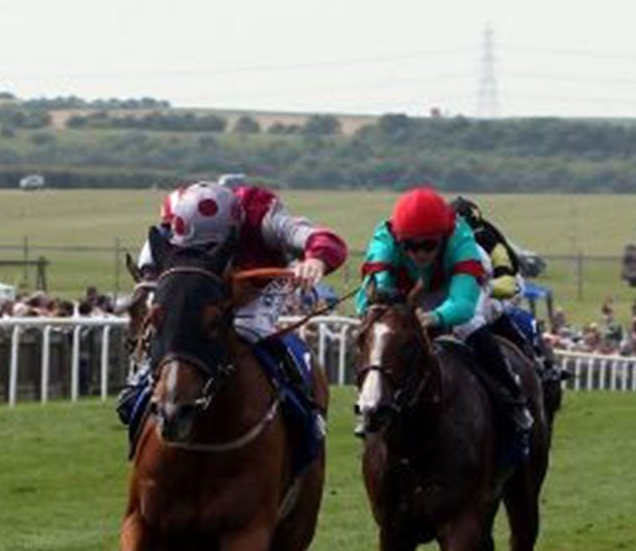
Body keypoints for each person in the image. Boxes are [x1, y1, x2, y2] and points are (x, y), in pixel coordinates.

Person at [119, 177, 347, 453]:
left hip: (255, 288)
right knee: (171, 323)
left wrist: (315, 259)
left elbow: (325, 239)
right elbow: (152, 257)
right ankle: (142, 379)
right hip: (198, 289)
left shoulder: (263, 214)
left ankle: (302, 402)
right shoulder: (176, 212)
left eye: (214, 248)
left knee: (251, 331)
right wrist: (148, 284)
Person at [355, 186, 533, 455]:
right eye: (411, 246)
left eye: (428, 245)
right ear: (399, 239)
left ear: (443, 237)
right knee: (379, 334)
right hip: (405, 289)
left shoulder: (460, 238)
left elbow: (462, 304)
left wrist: (432, 318)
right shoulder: (385, 237)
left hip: (454, 287)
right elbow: (376, 288)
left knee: (469, 326)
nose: (420, 253)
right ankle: (369, 402)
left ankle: (513, 399)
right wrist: (389, 308)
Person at [448, 194, 565, 399]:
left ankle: (537, 360)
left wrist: (483, 289)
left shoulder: (489, 240)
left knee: (498, 314)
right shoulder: (443, 240)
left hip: (504, 284)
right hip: (469, 286)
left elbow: (507, 282)